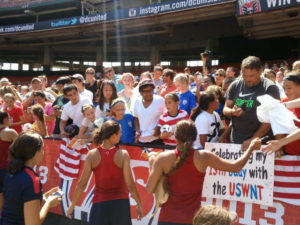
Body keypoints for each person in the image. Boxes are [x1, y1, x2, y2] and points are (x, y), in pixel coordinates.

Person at [146, 119, 261, 225]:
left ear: (175, 137)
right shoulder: (204, 157)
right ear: (195, 137)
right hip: (193, 220)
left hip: (167, 218)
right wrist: (251, 148)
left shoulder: (162, 159)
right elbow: (236, 167)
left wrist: (153, 165)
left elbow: (149, 189)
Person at [66, 120, 143, 225]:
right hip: (120, 205)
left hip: (100, 205)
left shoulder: (92, 155)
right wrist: (139, 204)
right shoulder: (123, 154)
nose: (121, 134)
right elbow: (131, 185)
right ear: (113, 136)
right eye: (119, 132)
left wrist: (72, 206)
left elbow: (82, 184)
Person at [1, 132, 61, 225]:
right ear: (35, 152)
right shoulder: (32, 180)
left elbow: (18, 200)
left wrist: (43, 197)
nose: (43, 152)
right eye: (42, 149)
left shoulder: (11, 171)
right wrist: (48, 203)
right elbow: (33, 223)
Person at [223, 56, 280, 150]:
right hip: (236, 140)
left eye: (251, 76)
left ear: (260, 71)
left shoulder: (270, 88)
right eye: (244, 75)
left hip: (261, 141)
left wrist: (253, 138)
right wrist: (232, 112)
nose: (248, 79)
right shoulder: (235, 85)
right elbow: (225, 109)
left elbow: (271, 119)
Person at [132, 79, 165, 145]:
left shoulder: (160, 100)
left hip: (156, 139)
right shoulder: (136, 102)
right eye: (146, 91)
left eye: (151, 90)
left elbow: (166, 116)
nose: (149, 93)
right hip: (141, 139)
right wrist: (138, 131)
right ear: (141, 92)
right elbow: (136, 118)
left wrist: (159, 127)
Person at [278, 70, 300, 155]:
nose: (286, 92)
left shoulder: (284, 104)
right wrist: (279, 145)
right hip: (289, 154)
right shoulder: (284, 102)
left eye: (289, 88)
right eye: (284, 88)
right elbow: (278, 126)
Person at [0, 111, 18, 214]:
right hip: (8, 169)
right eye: (9, 117)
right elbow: (20, 148)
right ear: (5, 119)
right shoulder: (10, 132)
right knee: (11, 194)